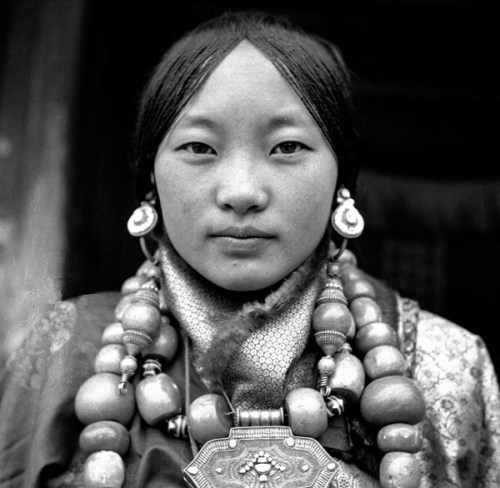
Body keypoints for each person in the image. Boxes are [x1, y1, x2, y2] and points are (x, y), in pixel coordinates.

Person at [0, 10, 499, 488]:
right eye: (199, 148)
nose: (240, 192)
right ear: (150, 180)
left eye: (287, 147)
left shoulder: (447, 363)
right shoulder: (63, 354)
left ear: (341, 182)